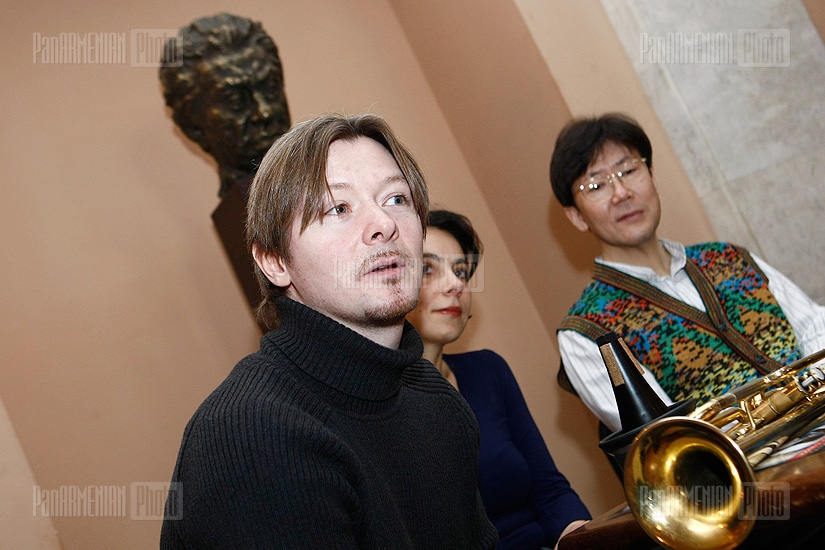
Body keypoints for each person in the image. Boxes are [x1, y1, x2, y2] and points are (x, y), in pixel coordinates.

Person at [160, 114, 498, 549]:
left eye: (396, 198)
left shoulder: (436, 400)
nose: (384, 224)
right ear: (275, 262)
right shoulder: (252, 434)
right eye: (338, 208)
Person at [549, 112, 825, 433]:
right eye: (596, 185)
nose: (621, 192)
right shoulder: (587, 333)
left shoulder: (728, 256)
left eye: (629, 170)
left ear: (651, 175)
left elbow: (814, 327)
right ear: (577, 217)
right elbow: (670, 435)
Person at [406, 209, 591, 550]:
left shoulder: (487, 371)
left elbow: (549, 490)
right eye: (428, 269)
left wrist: (586, 540)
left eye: (461, 271)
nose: (456, 284)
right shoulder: (374, 404)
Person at [159, 13, 291, 198]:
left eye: (269, 89)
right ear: (193, 128)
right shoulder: (236, 211)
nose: (264, 112)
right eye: (236, 102)